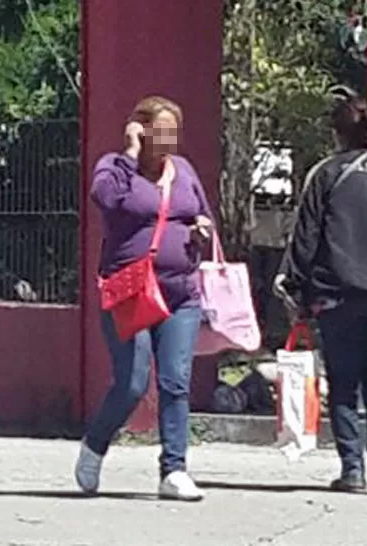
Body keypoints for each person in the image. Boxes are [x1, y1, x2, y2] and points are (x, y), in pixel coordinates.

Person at [75, 96, 213, 501]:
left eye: (175, 131)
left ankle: (174, 469)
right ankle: (95, 446)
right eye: (161, 130)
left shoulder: (183, 171)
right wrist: (131, 154)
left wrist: (201, 226)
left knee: (175, 381)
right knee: (133, 383)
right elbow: (105, 198)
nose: (169, 140)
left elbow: (200, 212)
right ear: (141, 129)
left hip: (179, 293)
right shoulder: (115, 168)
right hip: (130, 292)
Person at [274, 92, 367, 492]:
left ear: (335, 133)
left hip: (337, 292)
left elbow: (305, 237)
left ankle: (352, 470)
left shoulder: (325, 174)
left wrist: (294, 286)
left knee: (343, 380)